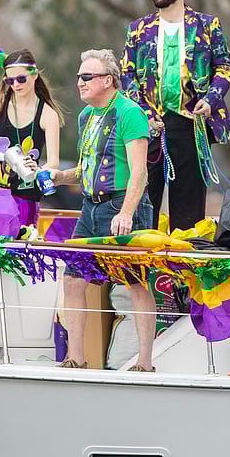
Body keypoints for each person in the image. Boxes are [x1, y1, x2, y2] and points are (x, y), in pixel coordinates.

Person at [50, 49, 158, 371]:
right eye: (79, 77)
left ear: (108, 80)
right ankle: (76, 358)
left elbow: (139, 171)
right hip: (91, 207)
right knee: (72, 280)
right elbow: (86, 168)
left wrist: (126, 212)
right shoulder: (87, 117)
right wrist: (60, 176)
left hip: (123, 206)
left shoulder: (129, 112)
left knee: (135, 282)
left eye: (87, 77)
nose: (79, 83)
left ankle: (145, 362)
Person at [121, 0, 230, 231]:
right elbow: (126, 74)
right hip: (149, 124)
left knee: (188, 204)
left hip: (190, 121)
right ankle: (141, 264)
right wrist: (145, 114)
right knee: (143, 197)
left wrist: (210, 100)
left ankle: (183, 267)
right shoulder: (139, 28)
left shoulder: (207, 25)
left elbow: (225, 67)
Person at [0, 48, 65, 228]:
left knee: (17, 249)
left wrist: (39, 168)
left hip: (25, 196)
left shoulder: (47, 114)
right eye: (9, 80)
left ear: (34, 75)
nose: (15, 85)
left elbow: (54, 163)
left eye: (21, 79)